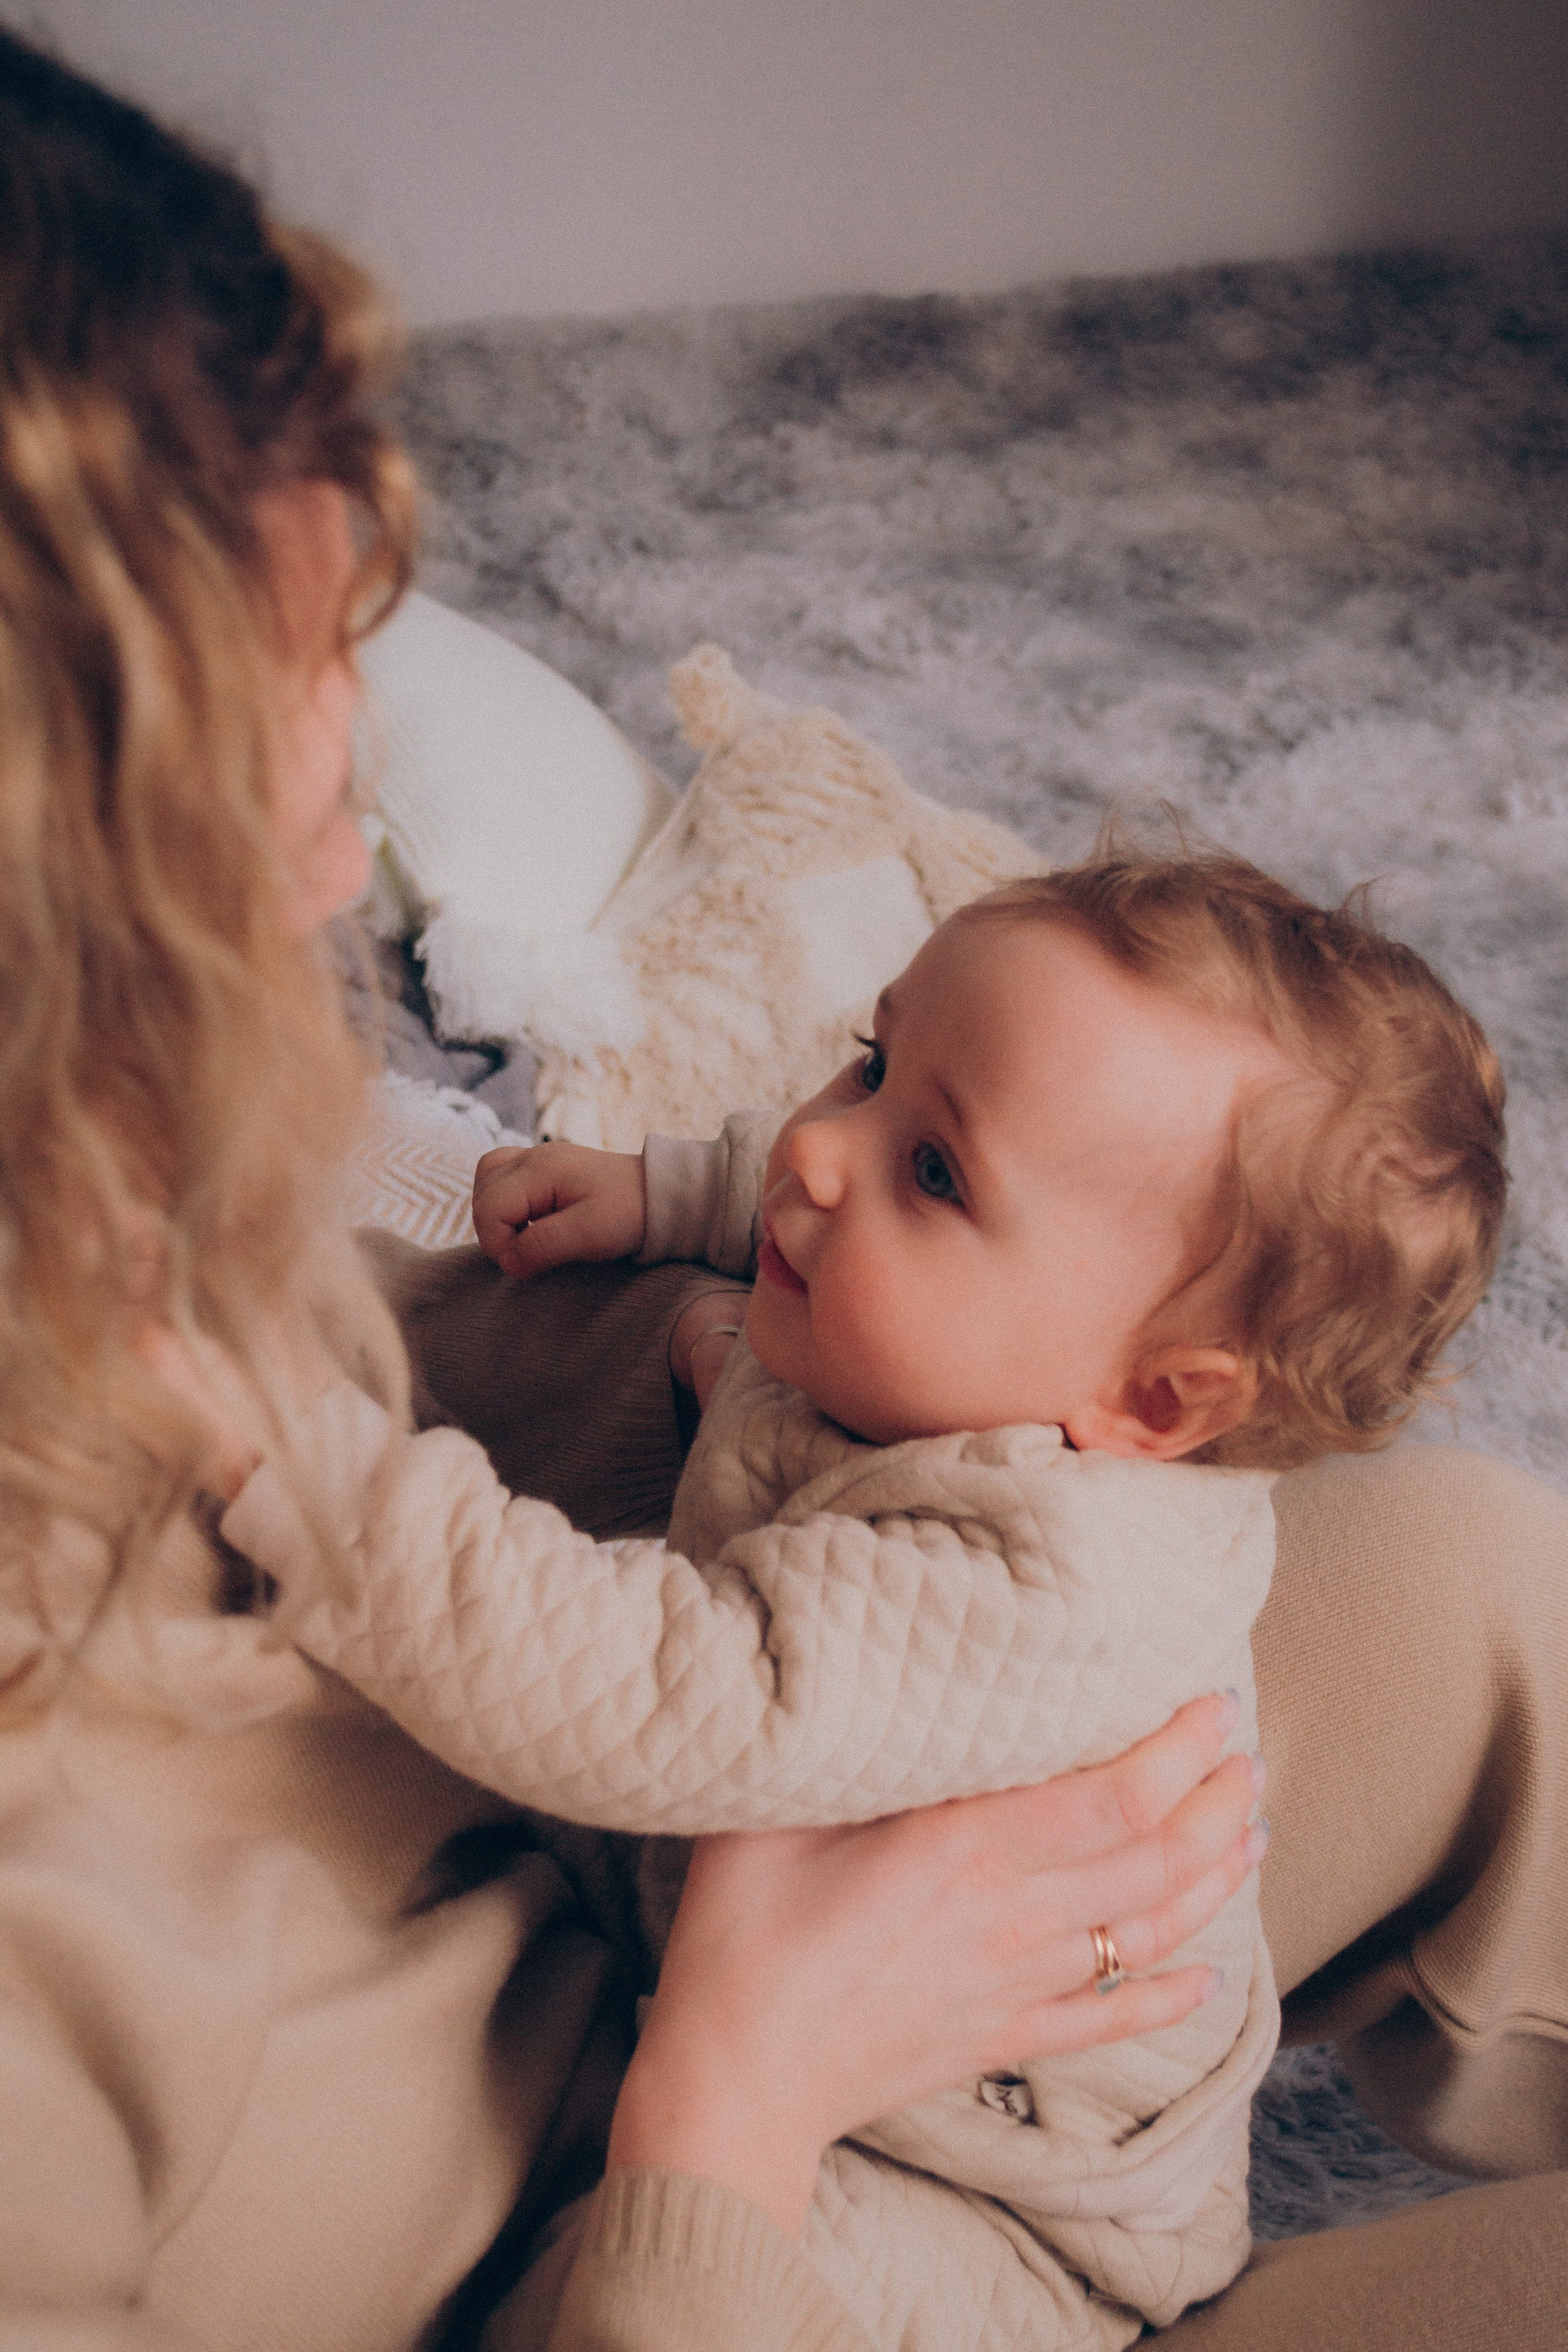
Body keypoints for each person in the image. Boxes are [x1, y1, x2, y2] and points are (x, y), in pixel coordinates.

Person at [0, 26, 1562, 2352]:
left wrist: (659, 1236)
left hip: (783, 1853)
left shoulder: (105, 1195)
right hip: (770, 2193)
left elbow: (617, 1273)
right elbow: (642, 1679)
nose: (344, 858)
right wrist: (738, 2096)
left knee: (1482, 1583)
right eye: (248, 769)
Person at [431, 853, 1500, 2352]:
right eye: (869, 1064)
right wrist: (669, 1189)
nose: (821, 1150)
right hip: (747, 1956)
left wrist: (359, 1514)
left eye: (932, 1172)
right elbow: (804, 1162)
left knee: (635, 2273)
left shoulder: (1031, 1576)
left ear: (1152, 1396)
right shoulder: (970, 1318)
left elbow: (663, 1688)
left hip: (988, 2198)